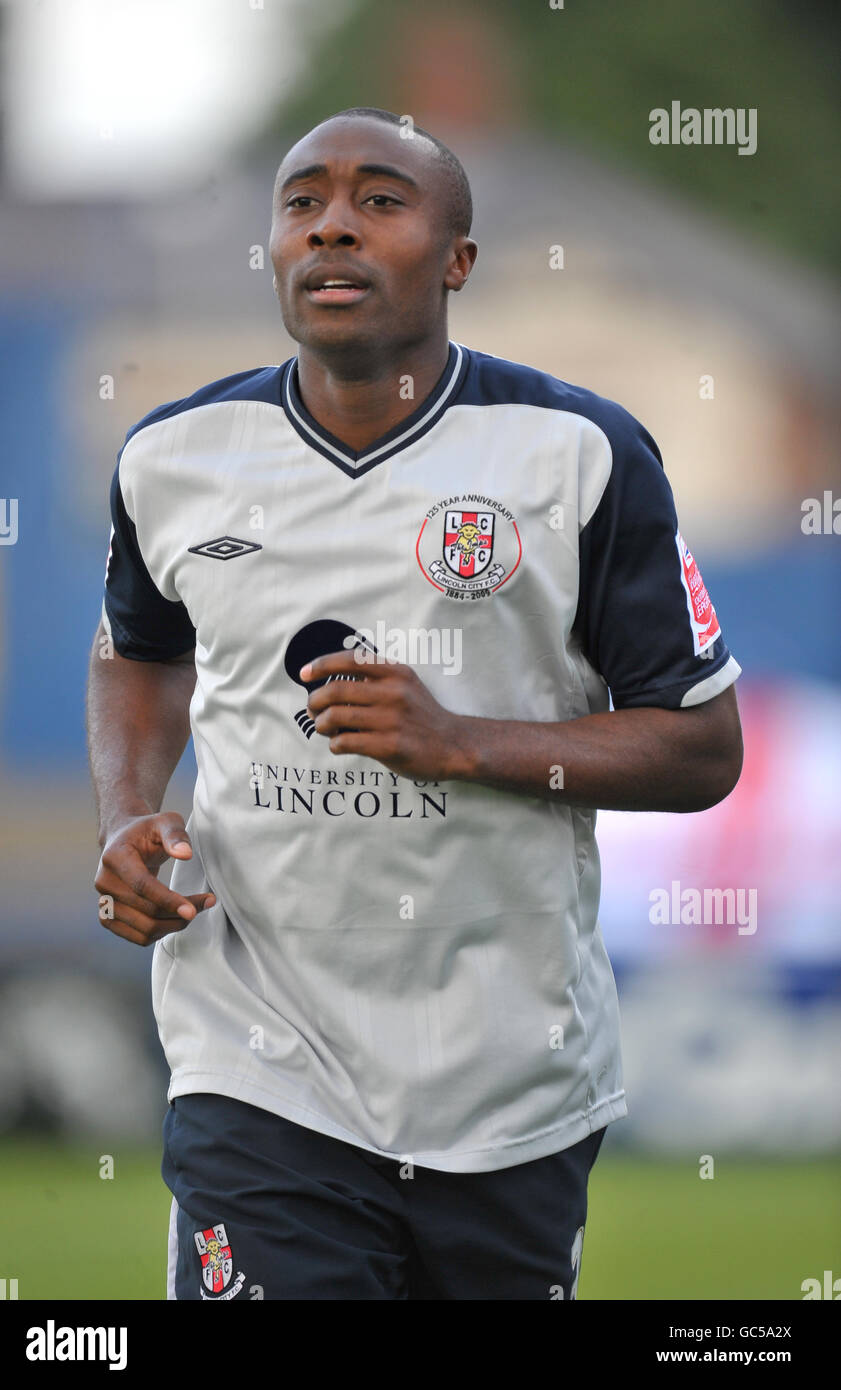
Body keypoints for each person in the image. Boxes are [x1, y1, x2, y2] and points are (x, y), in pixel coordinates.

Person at [87, 106, 743, 1301]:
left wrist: (461, 742)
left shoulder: (578, 455)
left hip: (510, 1083)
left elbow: (700, 746)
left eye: (380, 199)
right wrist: (128, 811)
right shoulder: (172, 458)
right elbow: (137, 653)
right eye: (302, 202)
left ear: (457, 260)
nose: (332, 225)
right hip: (258, 1062)